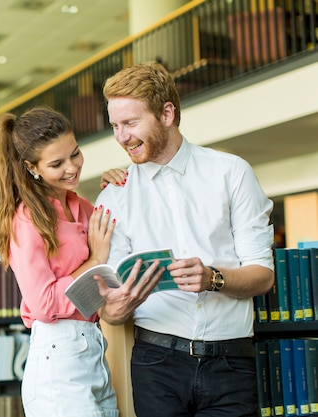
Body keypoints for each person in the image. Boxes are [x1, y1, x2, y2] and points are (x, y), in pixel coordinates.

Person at [95, 61, 275, 417]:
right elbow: (110, 309)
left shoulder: (231, 172)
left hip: (232, 364)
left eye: (130, 123)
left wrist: (213, 278)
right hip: (156, 365)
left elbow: (263, 275)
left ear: (166, 113)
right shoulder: (114, 196)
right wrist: (114, 309)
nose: (121, 137)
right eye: (115, 125)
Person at [0, 106, 161, 417]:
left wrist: (118, 189)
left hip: (94, 347)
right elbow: (43, 304)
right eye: (57, 163)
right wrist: (94, 261)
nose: (72, 167)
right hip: (57, 361)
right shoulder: (26, 220)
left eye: (75, 154)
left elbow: (117, 253)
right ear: (32, 167)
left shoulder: (82, 205)